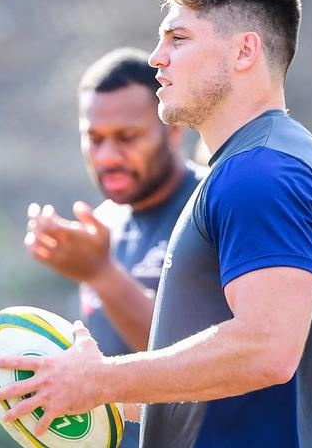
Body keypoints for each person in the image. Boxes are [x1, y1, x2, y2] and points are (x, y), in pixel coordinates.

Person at [0, 0, 312, 447]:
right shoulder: (266, 161)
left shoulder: (259, 172)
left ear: (245, 50)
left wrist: (101, 380)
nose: (157, 57)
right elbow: (230, 390)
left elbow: (267, 350)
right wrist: (79, 388)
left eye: (178, 39)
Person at [24, 47, 203, 447]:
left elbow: (205, 367)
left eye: (127, 137)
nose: (108, 157)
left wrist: (103, 275)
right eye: (95, 139)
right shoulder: (101, 225)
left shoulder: (214, 207)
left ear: (172, 128)